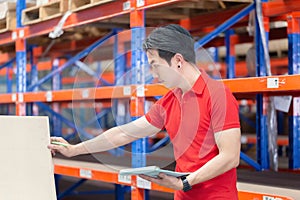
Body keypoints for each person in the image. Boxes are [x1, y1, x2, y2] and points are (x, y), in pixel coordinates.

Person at [48, 24, 241, 200]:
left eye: (155, 65)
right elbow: (123, 133)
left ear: (178, 61)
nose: (154, 75)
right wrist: (74, 150)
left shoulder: (217, 95)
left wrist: (185, 182)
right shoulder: (170, 101)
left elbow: (230, 156)